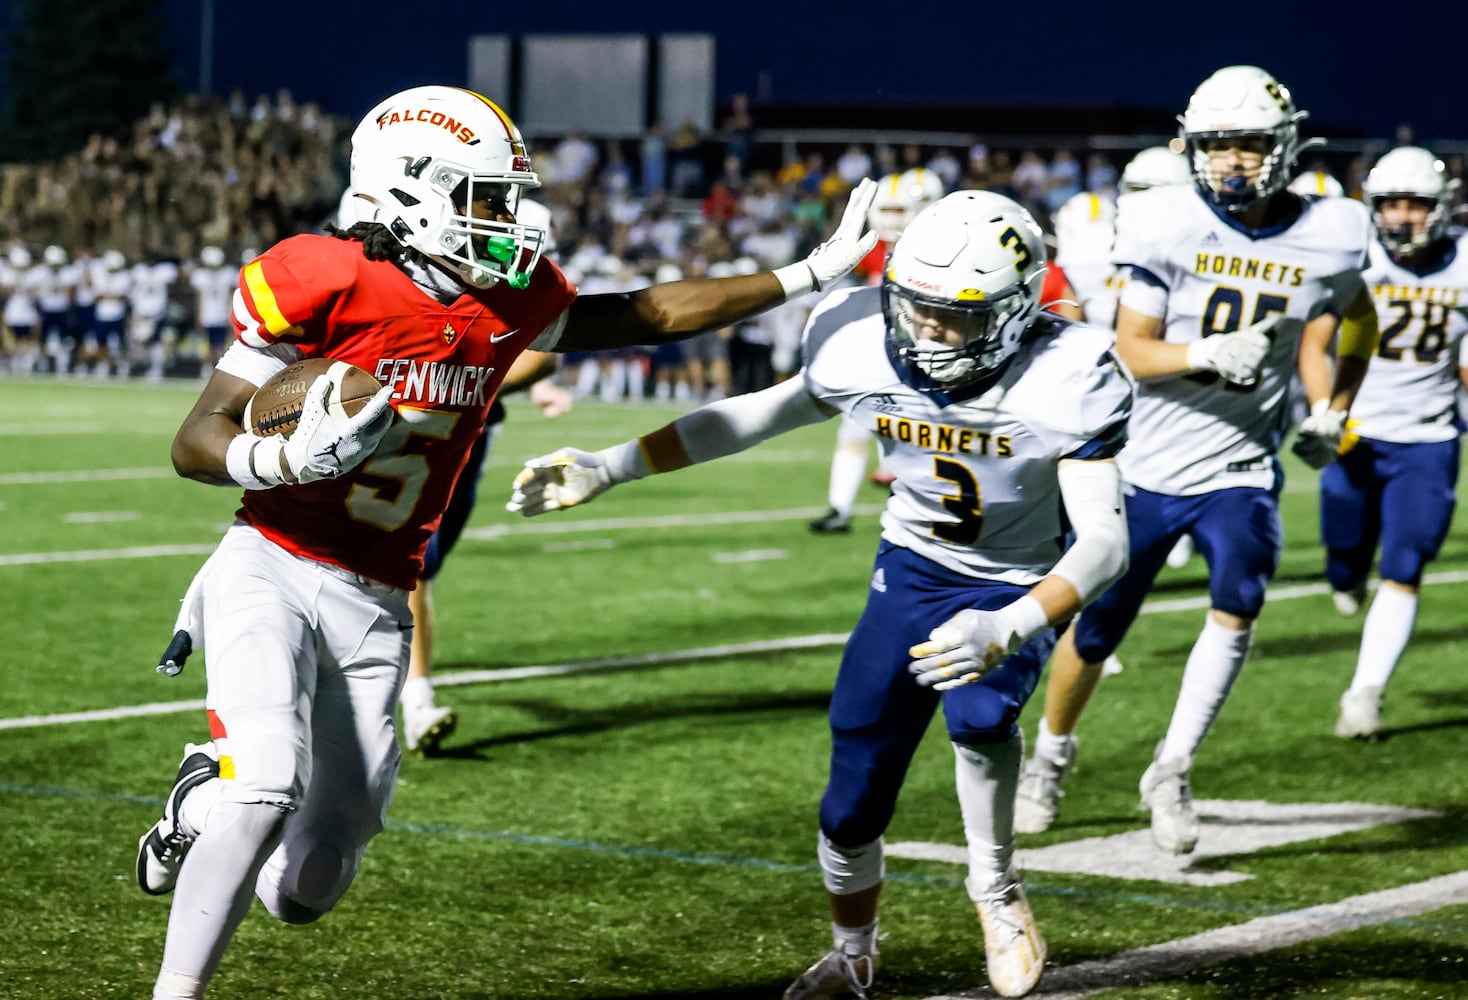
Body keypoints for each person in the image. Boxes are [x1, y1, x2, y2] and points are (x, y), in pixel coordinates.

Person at [133, 83, 879, 1000]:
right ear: (411, 190)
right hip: (273, 562)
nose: (508, 219)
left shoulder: (508, 300)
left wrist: (808, 273)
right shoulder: (320, 274)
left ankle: (196, 800)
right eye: (486, 197)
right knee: (265, 786)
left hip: (378, 599)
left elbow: (652, 312)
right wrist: (275, 457)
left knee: (307, 884)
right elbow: (195, 438)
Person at [506, 190, 1134, 999]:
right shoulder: (861, 339)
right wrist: (609, 464)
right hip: (912, 565)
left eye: (957, 317)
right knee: (851, 792)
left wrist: (1011, 625)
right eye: (918, 307)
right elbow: (751, 416)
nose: (929, 331)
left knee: (980, 718)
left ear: (1016, 313)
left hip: (1017, 576)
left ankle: (996, 886)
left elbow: (1107, 544)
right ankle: (852, 950)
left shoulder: (1069, 372)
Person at [1012, 65, 1380, 850]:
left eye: (1250, 144)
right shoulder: (1166, 220)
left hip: (1240, 462)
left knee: (1240, 599)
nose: (1233, 161)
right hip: (1142, 461)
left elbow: (1359, 321)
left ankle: (1172, 766)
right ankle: (1051, 755)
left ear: (1284, 147)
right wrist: (1204, 350)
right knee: (1096, 628)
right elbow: (1129, 350)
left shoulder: (1333, 228)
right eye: (1217, 145)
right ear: (1192, 147)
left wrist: (1333, 408)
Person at [400, 198, 571, 757]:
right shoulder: (416, 269)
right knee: (410, 566)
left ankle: (406, 686)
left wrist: (476, 384)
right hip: (403, 424)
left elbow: (544, 350)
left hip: (465, 428)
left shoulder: (507, 266)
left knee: (421, 567)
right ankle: (414, 696)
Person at [1320, 147, 1468, 739]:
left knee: (1405, 566)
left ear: (1441, 207)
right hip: (1355, 431)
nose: (1404, 215)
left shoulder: (1462, 262)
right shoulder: (1352, 255)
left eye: (1416, 204)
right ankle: (1346, 576)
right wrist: (1324, 410)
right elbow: (1315, 336)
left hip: (1429, 438)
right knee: (1344, 561)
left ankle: (1365, 692)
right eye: (1393, 204)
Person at [810, 169, 945, 534]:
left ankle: (934, 512)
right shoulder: (876, 251)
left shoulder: (943, 250)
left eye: (900, 211)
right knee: (852, 430)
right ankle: (839, 508)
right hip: (878, 352)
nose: (889, 219)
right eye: (886, 209)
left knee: (931, 439)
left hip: (930, 359)